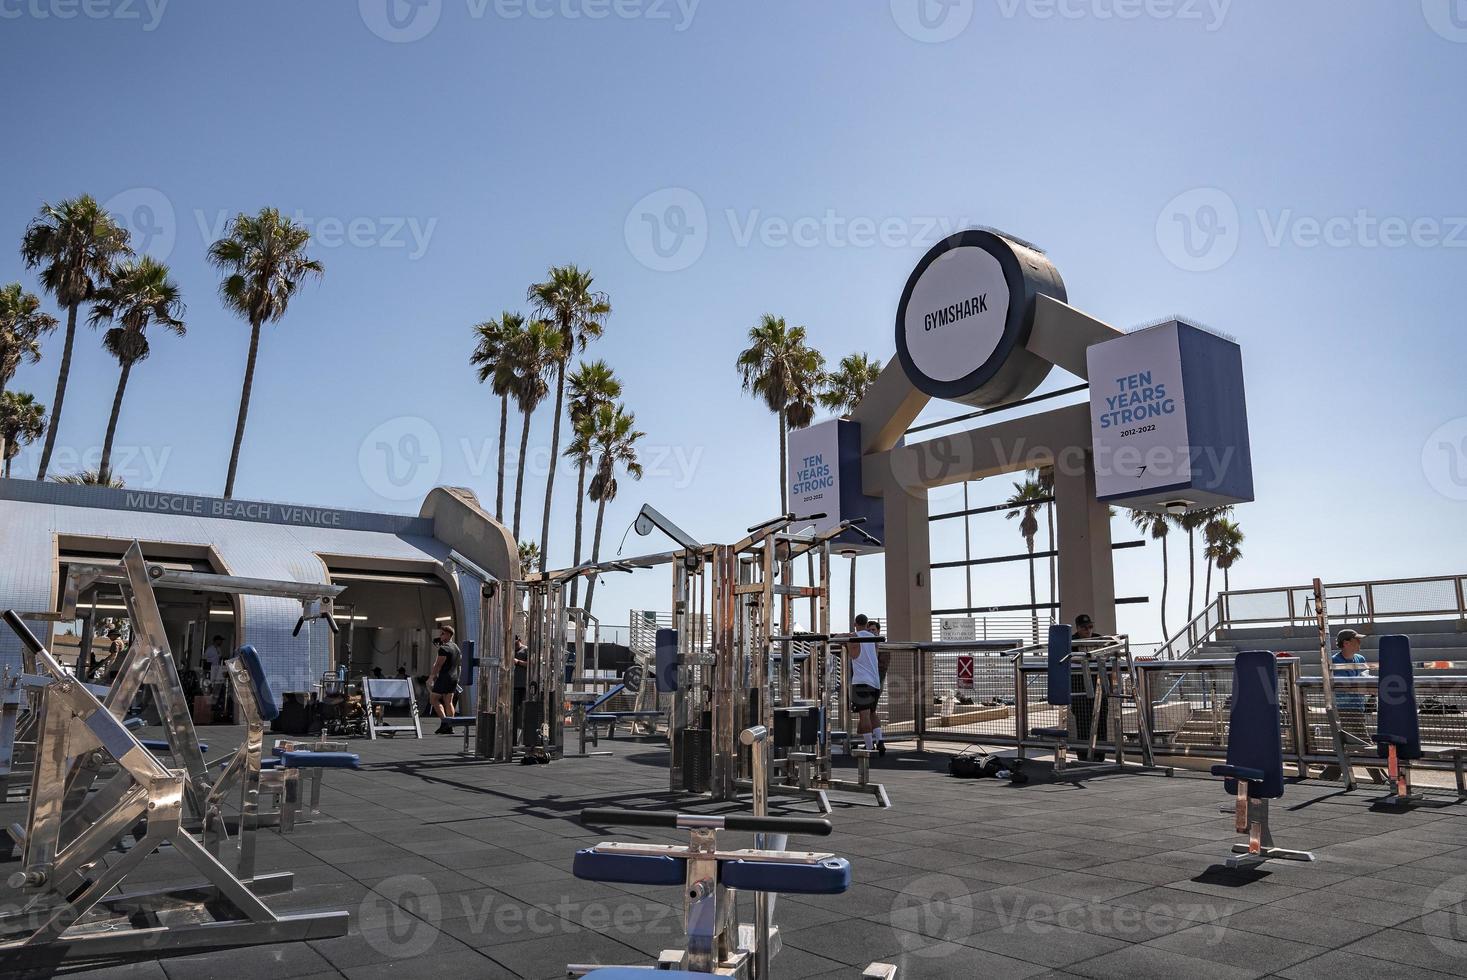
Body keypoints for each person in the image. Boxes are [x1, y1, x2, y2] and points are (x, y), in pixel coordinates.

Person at [850, 614, 884, 757]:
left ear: (855, 623)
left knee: (864, 716)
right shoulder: (873, 639)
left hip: (861, 682)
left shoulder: (854, 638)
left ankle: (869, 748)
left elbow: (851, 650)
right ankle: (880, 740)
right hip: (875, 682)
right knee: (872, 713)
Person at [428, 624, 461, 734]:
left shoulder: (444, 648)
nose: (440, 636)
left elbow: (438, 665)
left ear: (447, 634)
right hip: (454, 677)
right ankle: (449, 726)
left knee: (433, 699)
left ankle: (445, 722)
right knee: (448, 701)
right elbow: (457, 665)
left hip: (444, 677)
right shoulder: (456, 647)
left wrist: (431, 677)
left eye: (442, 633)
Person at [1331, 628, 1372, 714]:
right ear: (1346, 643)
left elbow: (1366, 679)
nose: (1360, 642)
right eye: (1357, 640)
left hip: (1359, 707)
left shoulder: (1361, 659)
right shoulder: (1335, 661)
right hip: (1343, 709)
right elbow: (1347, 686)